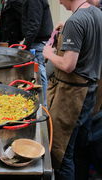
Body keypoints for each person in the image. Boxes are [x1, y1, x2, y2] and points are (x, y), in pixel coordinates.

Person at [43, 0, 102, 179]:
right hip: (91, 93)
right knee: (79, 148)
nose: (59, 1)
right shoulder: (97, 14)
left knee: (62, 154)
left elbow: (68, 65)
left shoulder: (75, 22)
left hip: (72, 97)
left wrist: (49, 54)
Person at [0, 0, 53, 106]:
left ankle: (43, 105)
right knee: (39, 73)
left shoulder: (33, 1)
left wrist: (26, 45)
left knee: (39, 74)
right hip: (36, 41)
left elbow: (34, 24)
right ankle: (43, 103)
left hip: (37, 42)